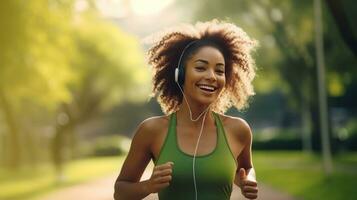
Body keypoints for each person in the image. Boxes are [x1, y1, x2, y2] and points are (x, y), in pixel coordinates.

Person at [114, 19, 258, 200]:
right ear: (180, 74)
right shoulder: (152, 130)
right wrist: (148, 186)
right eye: (200, 67)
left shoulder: (238, 130)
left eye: (219, 71)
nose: (212, 76)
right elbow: (120, 191)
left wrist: (249, 180)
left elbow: (246, 169)